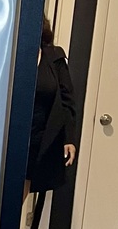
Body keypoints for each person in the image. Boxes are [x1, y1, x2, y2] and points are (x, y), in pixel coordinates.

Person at [26, 15, 81, 204]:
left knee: (15, 203)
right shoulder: (8, 52)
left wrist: (69, 138)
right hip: (9, 135)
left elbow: (67, 100)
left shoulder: (54, 57)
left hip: (39, 139)